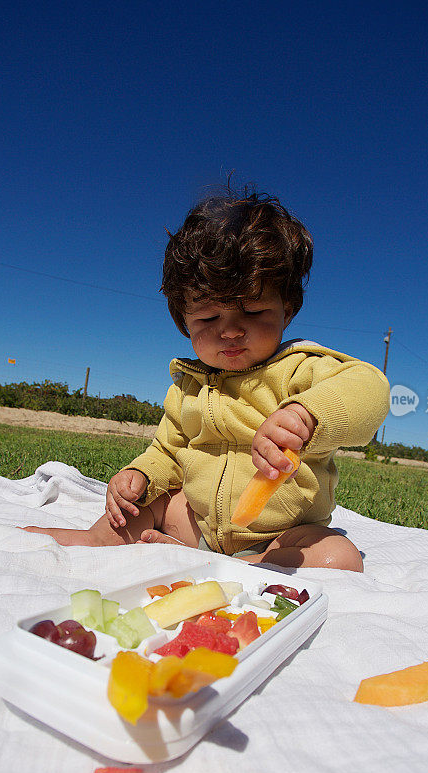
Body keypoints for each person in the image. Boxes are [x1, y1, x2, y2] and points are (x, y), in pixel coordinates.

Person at [24, 188, 390, 570]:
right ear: (183, 320)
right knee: (153, 502)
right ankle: (98, 540)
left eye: (252, 311)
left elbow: (370, 387)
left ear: (288, 308)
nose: (230, 331)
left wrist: (307, 414)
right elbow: (167, 453)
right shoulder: (189, 386)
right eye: (208, 318)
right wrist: (140, 474)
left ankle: (255, 564)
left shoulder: (300, 368)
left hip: (282, 535)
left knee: (338, 556)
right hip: (196, 524)